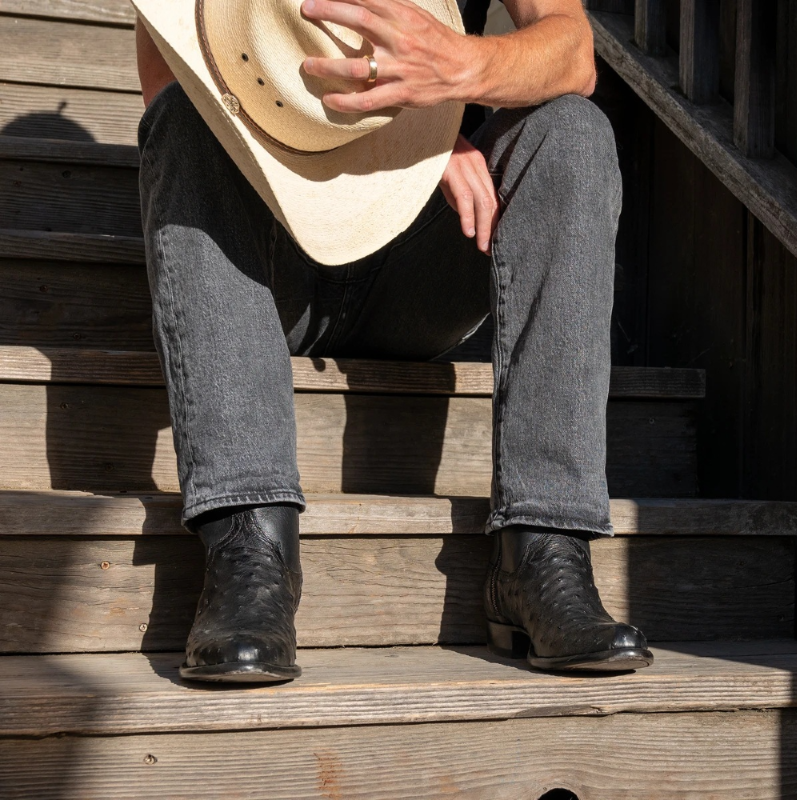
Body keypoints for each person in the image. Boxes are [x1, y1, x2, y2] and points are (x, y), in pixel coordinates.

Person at [135, 0, 653, 683]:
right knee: (182, 120)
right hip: (261, 271)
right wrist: (404, 151)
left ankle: (543, 552)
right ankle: (250, 553)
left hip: (419, 269)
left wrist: (455, 72)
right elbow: (168, 84)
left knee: (573, 131)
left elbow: (574, 52)